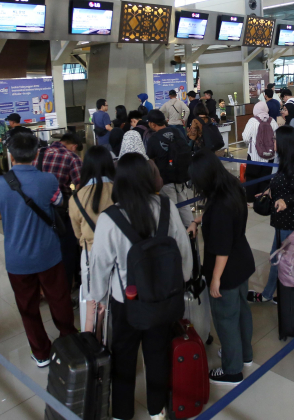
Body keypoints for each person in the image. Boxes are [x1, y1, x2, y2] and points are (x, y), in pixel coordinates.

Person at [90, 153, 191, 420]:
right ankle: (157, 409)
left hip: (126, 302)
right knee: (157, 354)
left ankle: (122, 413)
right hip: (162, 298)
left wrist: (98, 298)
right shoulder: (166, 207)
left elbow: (99, 264)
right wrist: (181, 281)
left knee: (123, 356)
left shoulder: (110, 219)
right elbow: (183, 251)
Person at [0, 133, 76, 367]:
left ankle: (41, 352)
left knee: (27, 307)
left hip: (18, 259)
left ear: (10, 155)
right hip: (49, 254)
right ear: (37, 154)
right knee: (60, 299)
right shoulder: (48, 180)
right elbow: (57, 204)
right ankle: (69, 341)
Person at [187, 149, 255, 386]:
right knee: (242, 312)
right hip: (243, 262)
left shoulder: (218, 208)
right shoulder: (232, 186)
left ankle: (232, 370)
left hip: (226, 270)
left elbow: (222, 250)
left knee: (225, 319)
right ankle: (245, 355)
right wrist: (198, 220)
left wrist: (215, 279)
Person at [248, 126, 294, 304]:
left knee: (281, 258)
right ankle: (271, 294)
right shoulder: (285, 161)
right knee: (277, 256)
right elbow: (280, 183)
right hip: (281, 218)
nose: (272, 142)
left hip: (290, 218)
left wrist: (285, 201)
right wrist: (268, 192)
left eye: (275, 139)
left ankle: (275, 295)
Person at [69, 145, 115, 317]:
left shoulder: (77, 198)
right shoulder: (119, 189)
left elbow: (77, 233)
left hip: (91, 254)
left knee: (94, 304)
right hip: (120, 252)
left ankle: (94, 336)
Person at [33, 132, 83, 289]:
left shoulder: (38, 153)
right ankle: (65, 289)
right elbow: (82, 187)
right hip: (60, 211)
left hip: (35, 210)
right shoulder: (71, 157)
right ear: (74, 146)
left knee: (42, 249)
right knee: (66, 251)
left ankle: (43, 288)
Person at [144, 110, 192, 227]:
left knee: (171, 209)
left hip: (165, 179)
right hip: (182, 176)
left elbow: (150, 159)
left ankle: (176, 234)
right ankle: (191, 230)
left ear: (152, 124)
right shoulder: (177, 131)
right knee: (184, 205)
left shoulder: (153, 139)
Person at [242, 100, 278, 205]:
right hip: (270, 155)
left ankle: (250, 200)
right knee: (265, 177)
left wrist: (252, 143)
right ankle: (262, 199)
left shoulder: (252, 121)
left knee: (252, 177)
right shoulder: (272, 121)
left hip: (254, 156)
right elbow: (276, 137)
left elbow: (245, 138)